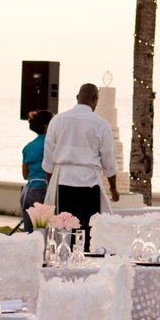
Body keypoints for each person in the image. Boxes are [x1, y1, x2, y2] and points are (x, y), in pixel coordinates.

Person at [41, 82, 119, 244]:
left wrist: (50, 184)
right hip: (89, 184)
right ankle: (86, 263)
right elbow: (108, 159)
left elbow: (48, 157)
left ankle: (64, 261)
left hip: (63, 182)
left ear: (77, 97)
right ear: (95, 99)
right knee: (88, 231)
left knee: (64, 230)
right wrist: (113, 188)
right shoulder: (101, 124)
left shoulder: (58, 120)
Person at [16, 108, 54, 231]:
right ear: (46, 126)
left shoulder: (28, 147)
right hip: (41, 191)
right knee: (41, 234)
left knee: (30, 235)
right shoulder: (50, 144)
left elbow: (25, 175)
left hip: (27, 192)